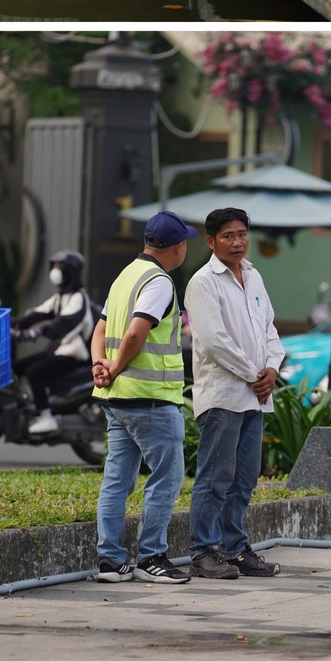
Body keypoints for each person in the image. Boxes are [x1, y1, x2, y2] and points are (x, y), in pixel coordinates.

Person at [88, 211, 196, 585]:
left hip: (117, 397)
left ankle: (110, 562)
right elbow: (136, 333)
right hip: (150, 399)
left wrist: (100, 366)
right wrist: (115, 367)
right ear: (178, 247)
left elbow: (99, 329)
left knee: (117, 480)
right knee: (166, 478)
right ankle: (151, 558)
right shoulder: (159, 281)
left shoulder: (125, 276)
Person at [183, 207, 287, 581]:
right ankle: (202, 552)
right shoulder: (203, 282)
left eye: (242, 234)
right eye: (228, 236)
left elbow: (269, 329)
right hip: (223, 395)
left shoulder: (254, 276)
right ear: (211, 242)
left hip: (255, 396)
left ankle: (234, 549)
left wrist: (272, 368)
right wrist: (254, 374)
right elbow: (214, 341)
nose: (238, 242)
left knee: (244, 478)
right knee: (216, 476)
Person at [16, 250, 94, 437]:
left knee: (34, 372)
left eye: (59, 267)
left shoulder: (79, 298)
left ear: (70, 272)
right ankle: (30, 404)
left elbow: (64, 324)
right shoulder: (61, 297)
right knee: (17, 367)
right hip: (60, 350)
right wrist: (12, 323)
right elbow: (39, 313)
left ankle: (46, 417)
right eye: (55, 266)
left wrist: (36, 332)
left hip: (73, 353)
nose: (55, 271)